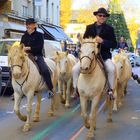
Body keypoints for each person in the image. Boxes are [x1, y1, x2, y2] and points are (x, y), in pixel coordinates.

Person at [72, 7, 117, 99]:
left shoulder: (110, 29)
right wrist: (81, 40)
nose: (102, 17)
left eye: (104, 16)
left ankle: (110, 90)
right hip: (88, 55)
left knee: (111, 69)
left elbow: (114, 44)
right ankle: (76, 90)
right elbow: (84, 41)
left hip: (103, 55)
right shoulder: (89, 27)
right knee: (75, 69)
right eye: (100, 15)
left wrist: (103, 41)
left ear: (106, 17)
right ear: (96, 16)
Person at [21, 18, 54, 98]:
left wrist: (30, 48)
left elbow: (40, 47)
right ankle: (17, 89)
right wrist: (22, 48)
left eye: (31, 24)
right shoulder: (24, 36)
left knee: (44, 69)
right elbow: (20, 46)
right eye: (28, 24)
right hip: (25, 55)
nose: (28, 26)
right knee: (16, 67)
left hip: (37, 55)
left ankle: (50, 89)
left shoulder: (39, 35)